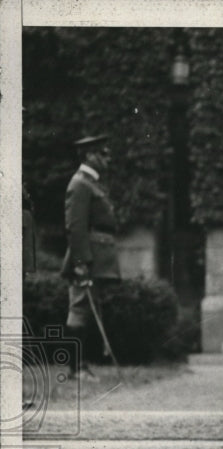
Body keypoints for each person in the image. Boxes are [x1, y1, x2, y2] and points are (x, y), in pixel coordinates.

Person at [60, 134, 120, 381]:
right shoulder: (80, 184)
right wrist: (81, 262)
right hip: (87, 258)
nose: (108, 158)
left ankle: (81, 366)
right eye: (103, 154)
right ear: (89, 156)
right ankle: (76, 368)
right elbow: (75, 227)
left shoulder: (90, 183)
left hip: (96, 257)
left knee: (85, 309)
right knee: (80, 310)